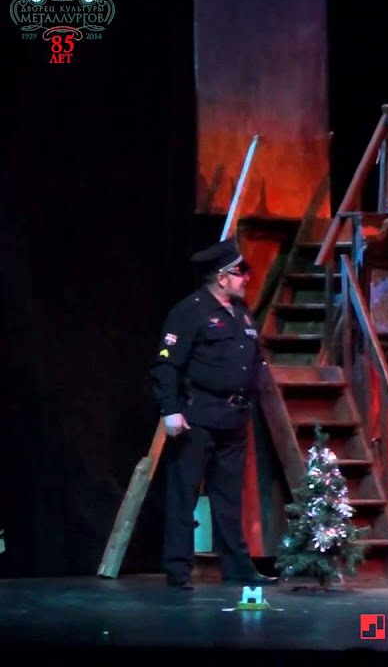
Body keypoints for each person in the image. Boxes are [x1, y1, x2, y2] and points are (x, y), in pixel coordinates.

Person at [150, 238, 276, 589]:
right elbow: (166, 365)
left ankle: (237, 567)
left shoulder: (241, 312)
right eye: (241, 271)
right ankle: (178, 570)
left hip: (234, 418)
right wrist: (171, 409)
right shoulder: (190, 311)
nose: (246, 277)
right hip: (198, 416)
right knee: (184, 495)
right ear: (221, 277)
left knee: (229, 498)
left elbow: (253, 359)